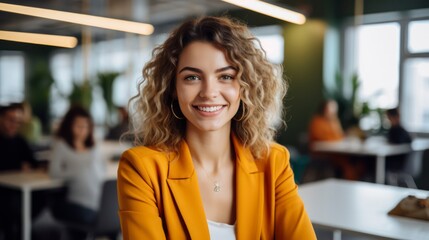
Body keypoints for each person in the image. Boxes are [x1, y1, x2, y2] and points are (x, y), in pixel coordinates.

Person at [117, 16, 316, 239]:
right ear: (173, 88)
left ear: (245, 86)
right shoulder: (142, 169)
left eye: (225, 76)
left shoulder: (273, 162)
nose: (209, 92)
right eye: (192, 77)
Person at [49, 105, 105, 239]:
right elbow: (54, 172)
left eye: (85, 126)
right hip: (75, 202)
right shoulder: (61, 145)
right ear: (69, 126)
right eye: (78, 126)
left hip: (97, 203)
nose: (82, 130)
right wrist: (77, 172)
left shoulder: (93, 147)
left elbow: (102, 169)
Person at [0, 102, 43, 239]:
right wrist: (19, 166)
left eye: (18, 121)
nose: (14, 125)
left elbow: (33, 162)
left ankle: (22, 231)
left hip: (19, 188)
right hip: (4, 190)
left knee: (41, 197)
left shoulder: (20, 140)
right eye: (11, 120)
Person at [308, 99, 362, 180]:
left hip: (337, 153)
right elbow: (323, 139)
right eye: (330, 108)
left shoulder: (334, 121)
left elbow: (340, 136)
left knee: (358, 162)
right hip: (324, 154)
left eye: (334, 108)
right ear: (324, 109)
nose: (332, 111)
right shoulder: (317, 121)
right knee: (348, 165)